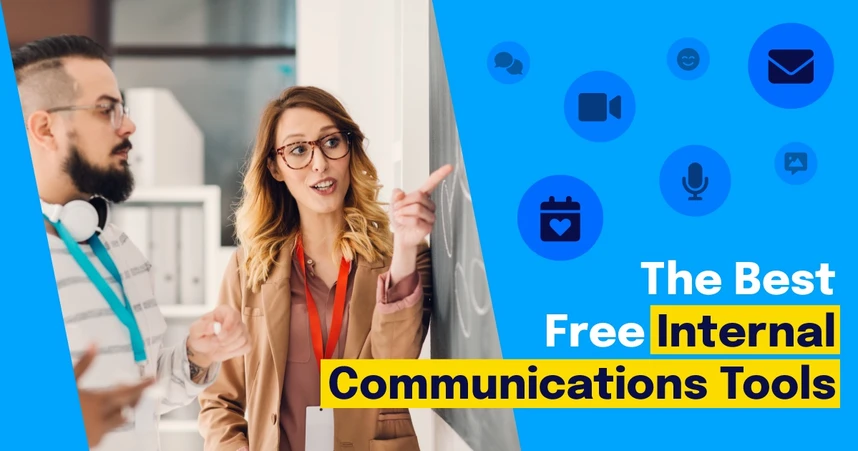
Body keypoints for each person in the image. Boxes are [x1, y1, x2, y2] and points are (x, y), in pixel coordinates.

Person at [14, 34, 253, 450]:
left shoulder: (119, 248)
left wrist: (196, 357)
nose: (128, 125)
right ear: (45, 127)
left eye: (121, 108)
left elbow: (142, 395)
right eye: (106, 110)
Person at [197, 86, 452, 451]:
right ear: (275, 167)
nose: (320, 164)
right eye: (298, 150)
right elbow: (219, 399)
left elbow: (393, 369)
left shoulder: (400, 257)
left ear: (350, 150)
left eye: (331, 142)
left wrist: (407, 247)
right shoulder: (247, 268)